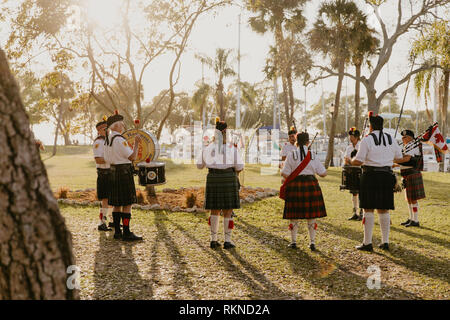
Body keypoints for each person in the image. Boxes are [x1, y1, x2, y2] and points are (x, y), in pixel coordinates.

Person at [351, 114, 405, 251]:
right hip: (386, 176)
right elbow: (399, 158)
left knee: (368, 208)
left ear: (371, 126)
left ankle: (367, 243)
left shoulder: (366, 140)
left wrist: (351, 161)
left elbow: (358, 160)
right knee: (384, 209)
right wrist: (385, 159)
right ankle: (385, 242)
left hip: (370, 176)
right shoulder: (391, 139)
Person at [197, 117, 244, 249]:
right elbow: (240, 166)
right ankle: (227, 241)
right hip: (228, 178)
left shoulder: (208, 147)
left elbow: (199, 165)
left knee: (214, 210)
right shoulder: (232, 148)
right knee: (228, 211)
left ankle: (213, 240)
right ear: (226, 132)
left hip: (213, 178)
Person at [281, 131, 327, 251]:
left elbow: (285, 173)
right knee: (311, 215)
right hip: (311, 185)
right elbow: (323, 174)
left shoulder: (291, 154)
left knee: (294, 215)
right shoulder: (313, 155)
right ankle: (312, 242)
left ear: (297, 141)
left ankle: (294, 241)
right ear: (307, 142)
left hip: (295, 186)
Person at [104, 111, 143, 241]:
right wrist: (136, 143)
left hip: (113, 171)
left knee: (116, 204)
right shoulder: (120, 139)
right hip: (124, 172)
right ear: (115, 126)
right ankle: (126, 232)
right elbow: (132, 156)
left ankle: (117, 232)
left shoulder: (108, 139)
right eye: (121, 124)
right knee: (127, 203)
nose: (123, 126)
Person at [395, 129, 425, 227]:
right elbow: (404, 160)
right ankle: (411, 218)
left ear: (410, 138)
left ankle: (415, 220)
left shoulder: (412, 145)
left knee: (413, 198)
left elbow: (407, 159)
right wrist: (395, 163)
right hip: (406, 174)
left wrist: (393, 160)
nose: (403, 139)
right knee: (409, 198)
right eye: (402, 137)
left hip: (412, 173)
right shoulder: (407, 146)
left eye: (405, 137)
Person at [93, 118, 112, 231]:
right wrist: (113, 159)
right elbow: (98, 160)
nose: (107, 130)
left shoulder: (109, 141)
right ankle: (101, 222)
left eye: (107, 128)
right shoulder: (98, 142)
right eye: (104, 129)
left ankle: (112, 221)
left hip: (111, 172)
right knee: (105, 199)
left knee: (111, 199)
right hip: (103, 173)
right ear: (99, 131)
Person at [344, 128, 363, 221]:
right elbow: (346, 159)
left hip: (360, 170)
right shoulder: (349, 147)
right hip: (351, 171)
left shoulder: (361, 146)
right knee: (354, 193)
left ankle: (362, 213)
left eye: (352, 136)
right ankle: (355, 212)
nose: (350, 138)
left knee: (361, 192)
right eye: (350, 136)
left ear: (356, 137)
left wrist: (351, 161)